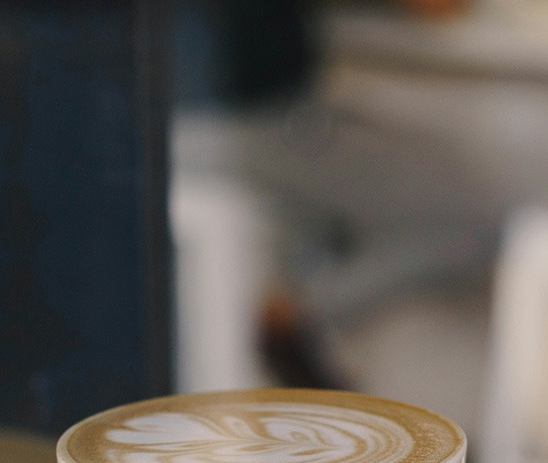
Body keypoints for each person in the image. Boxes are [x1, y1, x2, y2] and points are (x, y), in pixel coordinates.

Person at [174, 0, 501, 388]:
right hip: (246, 125)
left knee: (341, 214)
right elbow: (440, 7)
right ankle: (292, 315)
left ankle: (298, 313)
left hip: (177, 122)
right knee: (475, 219)